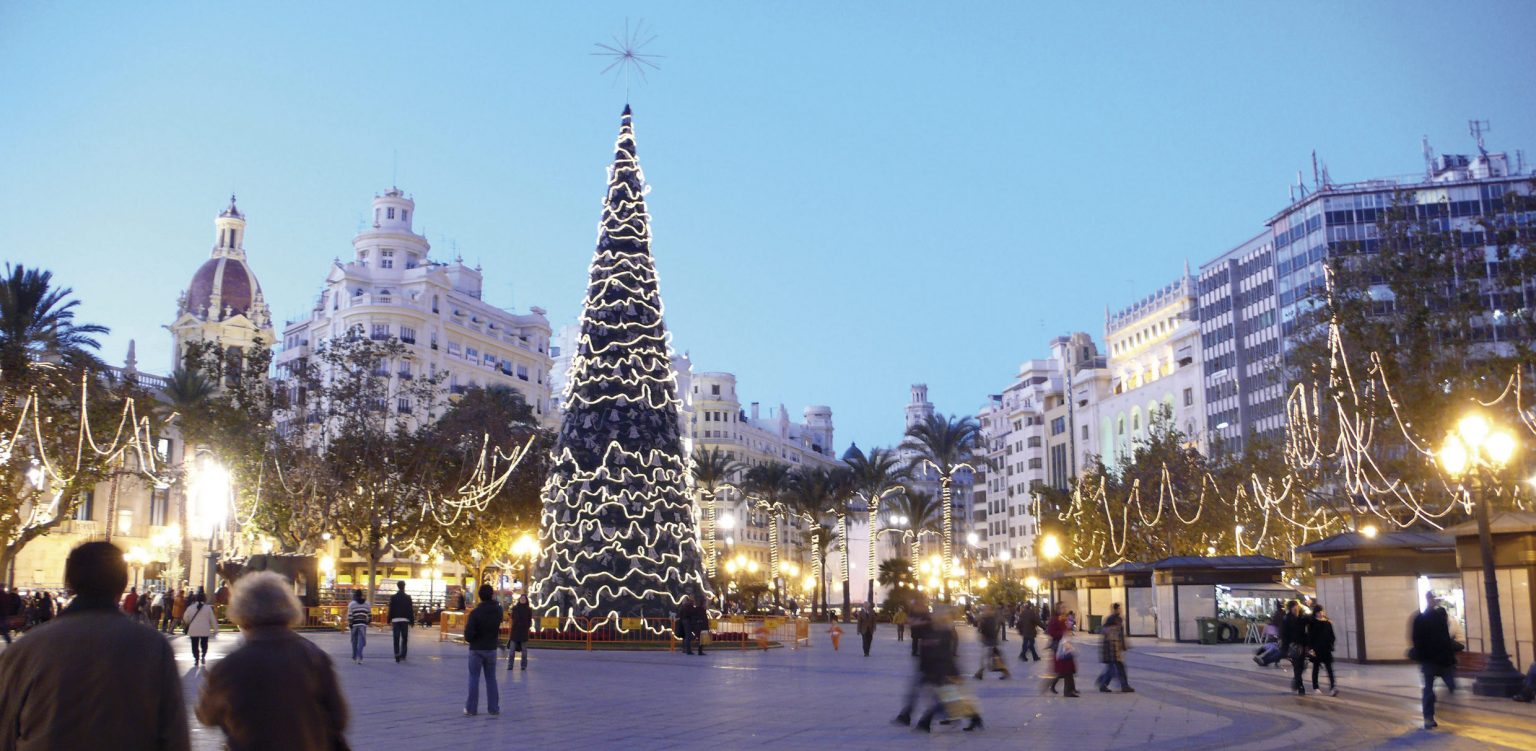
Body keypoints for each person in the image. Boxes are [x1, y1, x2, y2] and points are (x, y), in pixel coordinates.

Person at [0, 541, 190, 751]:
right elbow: (175, 737)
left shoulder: (24, 650)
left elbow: (5, 733)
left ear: (70, 582)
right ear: (122, 584)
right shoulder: (153, 647)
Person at [195, 572, 350, 751]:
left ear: (242, 614)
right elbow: (339, 718)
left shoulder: (229, 667)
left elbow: (207, 716)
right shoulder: (315, 657)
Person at [912, 608, 983, 732]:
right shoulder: (935, 632)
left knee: (945, 698)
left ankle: (925, 722)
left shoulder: (944, 633)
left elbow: (943, 654)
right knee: (951, 698)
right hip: (939, 670)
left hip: (944, 671)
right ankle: (974, 718)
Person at [1411, 592, 1458, 730]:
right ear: (1427, 600)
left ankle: (1435, 711)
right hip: (1431, 660)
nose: (1433, 601)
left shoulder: (1438, 616)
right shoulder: (1421, 618)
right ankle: (1429, 717)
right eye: (1431, 599)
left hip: (1441, 659)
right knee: (1429, 689)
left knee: (1449, 685)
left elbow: (1445, 638)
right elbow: (1417, 640)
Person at [463, 584, 503, 716]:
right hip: (491, 648)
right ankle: (493, 708)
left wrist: (472, 637)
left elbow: (468, 635)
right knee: (491, 678)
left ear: (480, 596)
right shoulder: (498, 611)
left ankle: (471, 708)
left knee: (474, 678)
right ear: (492, 595)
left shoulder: (475, 613)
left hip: (476, 648)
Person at [1096, 603, 1134, 693]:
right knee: (1115, 668)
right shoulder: (1112, 619)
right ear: (1115, 609)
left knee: (1115, 668)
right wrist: (1122, 646)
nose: (1121, 610)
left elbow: (1120, 635)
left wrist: (1123, 646)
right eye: (1119, 608)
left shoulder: (1117, 619)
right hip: (1112, 648)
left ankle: (1104, 683)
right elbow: (1112, 634)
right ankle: (1105, 683)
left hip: (1114, 648)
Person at [1044, 609, 1080, 696]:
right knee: (1064, 670)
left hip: (1065, 647)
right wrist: (1063, 633)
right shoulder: (1055, 620)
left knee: (1068, 670)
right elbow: (1052, 633)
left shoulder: (1063, 619)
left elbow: (1067, 628)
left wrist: (1068, 630)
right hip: (1060, 647)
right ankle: (1064, 689)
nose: (1064, 610)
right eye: (1062, 608)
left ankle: (1071, 689)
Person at [972, 605, 1010, 680]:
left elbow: (988, 630)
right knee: (993, 658)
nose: (986, 611)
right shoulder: (990, 618)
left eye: (987, 610)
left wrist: (982, 632)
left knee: (990, 659)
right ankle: (980, 673)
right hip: (990, 642)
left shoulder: (990, 619)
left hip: (990, 642)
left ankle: (980, 673)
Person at [1308, 603, 1337, 696]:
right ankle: (1315, 687)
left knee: (1329, 668)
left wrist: (1331, 643)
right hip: (1316, 649)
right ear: (1315, 613)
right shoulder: (1312, 623)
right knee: (1316, 668)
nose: (1320, 613)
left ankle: (1333, 687)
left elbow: (1332, 635)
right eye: (1318, 612)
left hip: (1326, 649)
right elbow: (1310, 637)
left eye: (1321, 611)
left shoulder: (1327, 623)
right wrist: (1311, 649)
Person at [1280, 600, 1307, 696]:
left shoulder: (1302, 618)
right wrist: (1284, 649)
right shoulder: (1287, 619)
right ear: (1290, 609)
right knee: (1297, 666)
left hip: (1302, 645)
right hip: (1293, 646)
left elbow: (1307, 631)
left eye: (1297, 607)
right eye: (1294, 608)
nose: (1296, 609)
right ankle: (1300, 686)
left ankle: (1296, 681)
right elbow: (1284, 635)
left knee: (1302, 666)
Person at [183, 592, 218, 666]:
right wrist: (215, 629)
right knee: (204, 644)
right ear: (204, 599)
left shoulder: (190, 607)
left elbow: (185, 617)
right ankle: (203, 656)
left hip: (193, 629)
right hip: (204, 629)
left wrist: (188, 622)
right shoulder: (208, 608)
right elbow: (212, 619)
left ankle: (196, 658)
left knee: (194, 645)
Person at [506, 593, 533, 670]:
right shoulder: (515, 608)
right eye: (521, 599)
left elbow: (529, 620)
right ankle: (510, 665)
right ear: (519, 600)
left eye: (524, 599)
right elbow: (512, 617)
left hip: (523, 632)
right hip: (515, 632)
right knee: (512, 651)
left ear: (526, 600)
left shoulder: (528, 609)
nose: (522, 600)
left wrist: (527, 626)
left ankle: (523, 665)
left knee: (524, 651)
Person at [388, 581, 414, 663]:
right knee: (404, 638)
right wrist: (412, 621)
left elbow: (391, 609)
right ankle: (403, 654)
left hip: (395, 620)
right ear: (404, 586)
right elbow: (410, 609)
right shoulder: (408, 597)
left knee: (396, 638)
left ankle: (397, 655)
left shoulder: (393, 597)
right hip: (404, 620)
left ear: (397, 586)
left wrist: (388, 619)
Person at [346, 589, 370, 663]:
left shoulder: (351, 604)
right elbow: (369, 615)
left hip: (354, 624)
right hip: (363, 624)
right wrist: (368, 621)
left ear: (355, 595)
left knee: (354, 641)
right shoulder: (367, 604)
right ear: (361, 595)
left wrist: (350, 623)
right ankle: (359, 657)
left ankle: (354, 656)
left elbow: (350, 615)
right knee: (361, 641)